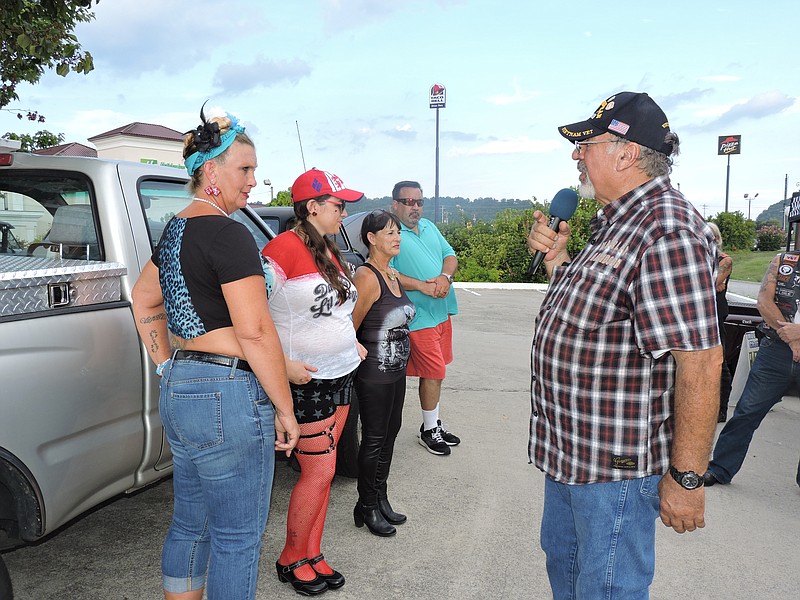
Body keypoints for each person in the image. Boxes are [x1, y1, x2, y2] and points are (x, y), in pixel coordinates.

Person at [527, 92, 722, 599]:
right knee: (569, 578)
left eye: (585, 145)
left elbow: (700, 364)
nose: (576, 156)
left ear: (626, 153)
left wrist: (686, 478)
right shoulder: (617, 220)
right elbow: (605, 316)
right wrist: (557, 262)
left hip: (615, 469)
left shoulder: (665, 230)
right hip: (573, 456)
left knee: (608, 589)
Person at [131, 105, 299, 600]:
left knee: (191, 525)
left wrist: (166, 362)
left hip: (181, 387)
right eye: (244, 169)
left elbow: (144, 299)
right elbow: (256, 333)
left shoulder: (175, 229)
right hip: (227, 394)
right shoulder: (228, 232)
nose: (253, 181)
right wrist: (285, 407)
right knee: (236, 538)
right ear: (211, 171)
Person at [262, 168, 365, 595]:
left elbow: (337, 309)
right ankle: (291, 556)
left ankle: (313, 550)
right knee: (317, 472)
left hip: (342, 372)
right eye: (338, 205)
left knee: (325, 470)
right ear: (312, 207)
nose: (344, 213)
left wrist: (351, 344)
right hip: (306, 381)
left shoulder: (329, 249)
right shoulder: (279, 250)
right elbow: (250, 315)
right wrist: (280, 362)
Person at [703, 226, 800, 487]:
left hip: (787, 340)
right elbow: (764, 302)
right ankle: (720, 468)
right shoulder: (783, 262)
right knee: (747, 411)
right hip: (776, 349)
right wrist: (790, 334)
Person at [351, 210, 416, 537]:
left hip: (396, 371)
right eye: (389, 232)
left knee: (390, 433)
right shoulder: (367, 276)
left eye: (399, 232)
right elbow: (349, 324)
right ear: (371, 238)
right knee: (374, 438)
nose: (397, 237)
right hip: (374, 372)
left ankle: (380, 497)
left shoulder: (391, 274)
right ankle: (366, 505)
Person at [390, 181, 460, 456]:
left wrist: (445, 277)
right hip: (418, 317)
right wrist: (422, 286)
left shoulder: (430, 226)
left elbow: (449, 255)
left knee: (437, 373)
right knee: (434, 372)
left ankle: (432, 425)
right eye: (408, 202)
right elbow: (389, 272)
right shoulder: (391, 233)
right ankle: (429, 430)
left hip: (441, 311)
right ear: (394, 204)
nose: (415, 207)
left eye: (419, 202)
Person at [707, 222, 734, 422]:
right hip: (698, 312)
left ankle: (722, 408)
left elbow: (709, 283)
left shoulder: (724, 259)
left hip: (716, 313)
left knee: (719, 360)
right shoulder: (697, 258)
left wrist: (717, 281)